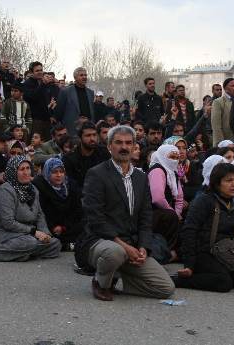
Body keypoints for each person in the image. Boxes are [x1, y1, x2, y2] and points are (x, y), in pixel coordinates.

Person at [75, 125, 175, 301]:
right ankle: (101, 282)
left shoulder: (141, 177)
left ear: (134, 146)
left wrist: (143, 246)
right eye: (119, 142)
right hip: (100, 241)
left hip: (131, 243)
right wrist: (123, 246)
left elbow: (145, 217)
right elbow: (95, 218)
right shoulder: (96, 174)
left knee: (165, 288)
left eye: (129, 143)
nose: (124, 147)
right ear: (109, 146)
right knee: (115, 253)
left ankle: (118, 277)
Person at [175, 163, 234, 292]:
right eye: (228, 180)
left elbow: (228, 233)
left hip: (223, 252)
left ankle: (213, 275)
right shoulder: (204, 201)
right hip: (203, 252)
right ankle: (181, 280)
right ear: (217, 183)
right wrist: (189, 264)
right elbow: (189, 231)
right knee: (223, 282)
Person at [0, 156, 61, 263]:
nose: (26, 172)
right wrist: (33, 232)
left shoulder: (33, 189)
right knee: (29, 242)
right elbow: (8, 222)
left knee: (55, 244)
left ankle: (19, 253)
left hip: (23, 234)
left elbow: (39, 215)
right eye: (22, 169)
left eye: (28, 168)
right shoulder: (6, 190)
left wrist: (45, 233)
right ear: (13, 172)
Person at [32, 158, 84, 250]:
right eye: (54, 172)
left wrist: (64, 227)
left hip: (68, 226)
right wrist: (53, 227)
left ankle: (71, 244)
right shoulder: (40, 187)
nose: (59, 175)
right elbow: (42, 212)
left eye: (61, 171)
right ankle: (67, 245)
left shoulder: (71, 185)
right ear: (47, 172)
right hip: (51, 226)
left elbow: (77, 210)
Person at [148, 144, 183, 260]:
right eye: (171, 157)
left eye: (176, 158)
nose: (174, 160)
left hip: (165, 212)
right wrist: (173, 212)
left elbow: (179, 197)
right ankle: (167, 251)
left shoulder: (173, 172)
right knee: (170, 216)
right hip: (152, 212)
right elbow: (157, 198)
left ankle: (170, 251)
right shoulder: (158, 170)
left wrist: (177, 213)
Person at [62, 122, 111, 189]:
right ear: (80, 137)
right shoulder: (70, 158)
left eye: (94, 135)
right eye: (88, 135)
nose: (92, 139)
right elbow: (72, 185)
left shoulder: (104, 152)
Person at [55, 67, 95, 136]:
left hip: (87, 129)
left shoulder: (90, 92)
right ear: (75, 77)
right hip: (71, 129)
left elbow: (92, 111)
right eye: (81, 75)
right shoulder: (65, 92)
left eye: (85, 75)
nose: (84, 77)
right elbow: (59, 112)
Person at [23, 61, 53, 141]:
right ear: (31, 72)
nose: (40, 72)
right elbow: (33, 97)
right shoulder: (27, 83)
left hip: (46, 119)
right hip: (35, 120)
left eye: (41, 70)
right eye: (37, 71)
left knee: (47, 145)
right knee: (36, 145)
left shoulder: (44, 83)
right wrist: (43, 84)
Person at [211, 78, 234, 146]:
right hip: (225, 143)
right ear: (225, 88)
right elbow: (216, 126)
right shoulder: (218, 102)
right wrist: (222, 144)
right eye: (232, 86)